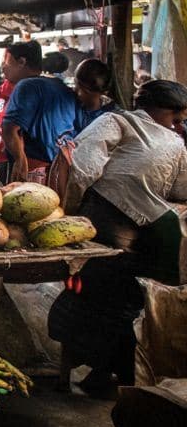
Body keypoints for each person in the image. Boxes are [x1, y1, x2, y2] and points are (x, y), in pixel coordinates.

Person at [49, 80, 187, 394]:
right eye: (175, 118)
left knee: (114, 303)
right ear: (155, 108)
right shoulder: (120, 122)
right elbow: (82, 166)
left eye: (181, 120)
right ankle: (100, 373)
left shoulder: (170, 140)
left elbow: (83, 168)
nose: (177, 125)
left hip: (129, 230)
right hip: (111, 227)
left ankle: (109, 375)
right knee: (101, 300)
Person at [0, 41, 79, 183]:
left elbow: (9, 129)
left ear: (22, 62)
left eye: (6, 61)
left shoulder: (27, 86)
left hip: (33, 171)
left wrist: (20, 159)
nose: (3, 67)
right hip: (61, 170)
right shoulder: (62, 88)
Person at [74, 58, 115, 131]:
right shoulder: (112, 112)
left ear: (86, 90)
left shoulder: (110, 117)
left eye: (76, 85)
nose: (74, 89)